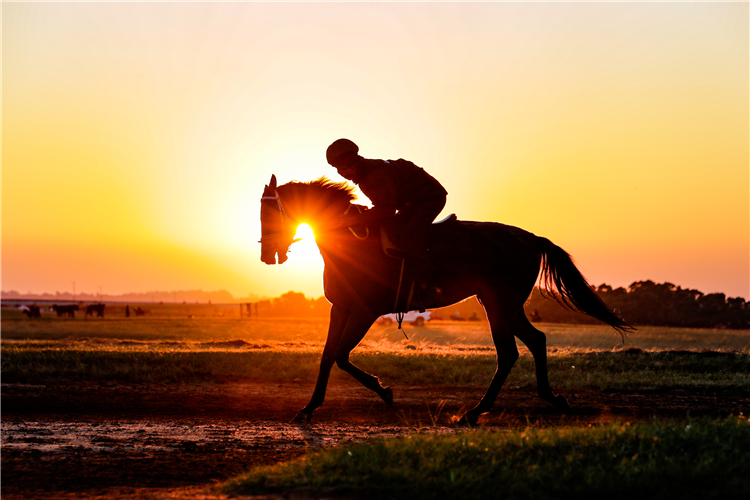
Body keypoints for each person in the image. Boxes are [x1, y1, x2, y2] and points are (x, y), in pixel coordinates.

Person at [326, 138, 447, 283]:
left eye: (344, 168)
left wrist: (353, 219)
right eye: (337, 169)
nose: (342, 173)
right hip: (410, 204)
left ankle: (431, 281)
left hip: (429, 199)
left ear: (354, 161)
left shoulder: (376, 174)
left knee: (408, 239)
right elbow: (380, 207)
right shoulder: (363, 177)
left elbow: (387, 210)